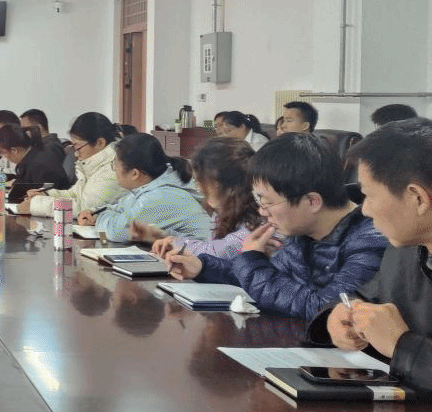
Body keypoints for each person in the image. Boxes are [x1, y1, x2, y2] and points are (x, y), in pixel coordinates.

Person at [165, 132, 388, 318]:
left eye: (267, 202)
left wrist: (252, 260)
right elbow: (268, 278)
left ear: (312, 201)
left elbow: (325, 309)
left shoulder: (370, 240)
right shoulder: (303, 232)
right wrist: (203, 267)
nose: (262, 211)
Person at [309, 118, 432, 390]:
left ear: (418, 198)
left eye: (369, 195)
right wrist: (336, 318)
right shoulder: (404, 249)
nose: (364, 210)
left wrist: (401, 345)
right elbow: (366, 297)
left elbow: (396, 340)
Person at [142, 137, 263, 261]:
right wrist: (171, 239)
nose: (199, 189)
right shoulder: (224, 210)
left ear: (222, 182)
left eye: (201, 181)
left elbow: (217, 252)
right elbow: (211, 247)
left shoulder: (260, 216)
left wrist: (176, 243)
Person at [77, 133, 211, 242]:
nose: (114, 169)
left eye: (115, 165)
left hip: (201, 262)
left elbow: (116, 231)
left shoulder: (161, 196)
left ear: (134, 174)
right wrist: (94, 213)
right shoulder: (152, 185)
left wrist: (100, 218)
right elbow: (120, 207)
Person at [19, 113, 124, 217]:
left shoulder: (114, 169)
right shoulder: (95, 165)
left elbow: (85, 209)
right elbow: (74, 194)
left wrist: (37, 206)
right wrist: (45, 194)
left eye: (78, 147)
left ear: (99, 143)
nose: (76, 154)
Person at [0, 124, 70, 191]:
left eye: (3, 153)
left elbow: (37, 192)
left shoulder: (38, 165)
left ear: (14, 150)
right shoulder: (33, 154)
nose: (2, 156)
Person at [20, 108, 72, 184]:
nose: (23, 133)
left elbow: (42, 181)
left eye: (25, 129)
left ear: (38, 128)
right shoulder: (45, 145)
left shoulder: (48, 149)